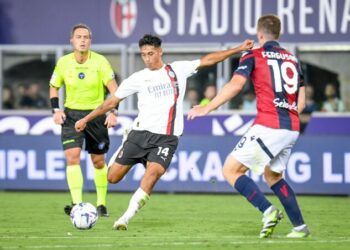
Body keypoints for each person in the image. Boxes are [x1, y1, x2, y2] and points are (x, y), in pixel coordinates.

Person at [75, 34, 254, 230]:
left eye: (150, 53)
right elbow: (111, 102)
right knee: (112, 178)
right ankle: (127, 143)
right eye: (143, 55)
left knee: (152, 175)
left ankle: (124, 218)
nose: (147, 58)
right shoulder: (138, 78)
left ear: (160, 51)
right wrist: (86, 119)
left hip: (167, 139)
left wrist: (238, 49)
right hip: (139, 134)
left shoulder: (177, 70)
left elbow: (208, 60)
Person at [188, 15, 310, 238]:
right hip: (291, 127)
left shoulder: (254, 54)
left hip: (269, 124)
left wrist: (207, 108)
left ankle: (268, 211)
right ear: (279, 34)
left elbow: (235, 85)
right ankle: (300, 227)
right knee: (273, 176)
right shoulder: (293, 59)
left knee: (230, 170)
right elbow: (300, 103)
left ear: (259, 34)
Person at [49, 23, 118, 217]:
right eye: (78, 37)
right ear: (72, 40)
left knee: (97, 161)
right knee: (72, 157)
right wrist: (56, 110)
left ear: (90, 41)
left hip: (96, 115)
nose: (82, 40)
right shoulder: (63, 62)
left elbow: (115, 91)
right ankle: (78, 205)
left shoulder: (100, 62)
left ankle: (101, 203)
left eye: (86, 37)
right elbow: (54, 86)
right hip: (72, 116)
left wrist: (113, 112)